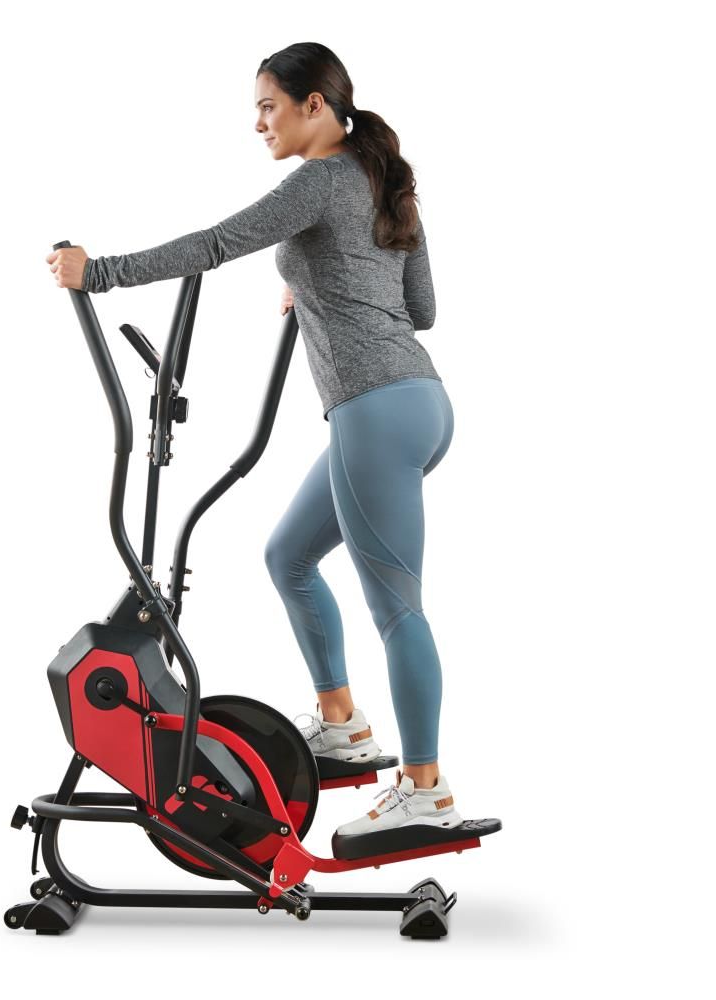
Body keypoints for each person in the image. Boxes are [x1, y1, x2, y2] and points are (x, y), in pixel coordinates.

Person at [47, 42, 463, 840]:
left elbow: (215, 244)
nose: (259, 122)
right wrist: (313, 282)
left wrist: (97, 273)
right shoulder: (383, 181)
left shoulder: (321, 179)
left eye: (269, 105)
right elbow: (421, 309)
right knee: (288, 557)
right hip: (419, 404)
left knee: (396, 607)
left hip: (375, 410)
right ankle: (341, 723)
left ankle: (425, 790)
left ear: (316, 105)